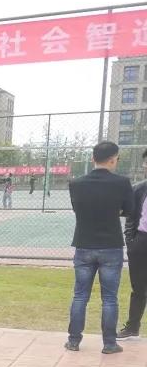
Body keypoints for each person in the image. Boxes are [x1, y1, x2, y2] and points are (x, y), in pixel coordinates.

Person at [67, 141, 135, 354]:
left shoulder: (76, 183)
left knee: (80, 295)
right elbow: (130, 210)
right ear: (113, 159)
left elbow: (77, 209)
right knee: (110, 298)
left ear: (92, 159)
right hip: (111, 246)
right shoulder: (122, 183)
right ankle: (109, 343)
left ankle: (74, 340)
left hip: (84, 244)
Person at [119, 148, 147, 341]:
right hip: (141, 242)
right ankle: (132, 328)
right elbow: (130, 216)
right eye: (146, 163)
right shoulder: (138, 189)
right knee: (139, 288)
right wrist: (131, 241)